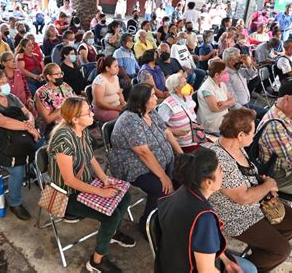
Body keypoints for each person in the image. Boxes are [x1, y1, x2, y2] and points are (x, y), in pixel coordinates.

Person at [208, 109, 292, 272]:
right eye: (252, 132)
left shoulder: (235, 146)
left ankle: (263, 251)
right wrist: (268, 185)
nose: (254, 137)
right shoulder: (221, 159)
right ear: (240, 135)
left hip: (256, 205)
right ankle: (249, 268)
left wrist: (264, 183)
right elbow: (243, 198)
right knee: (281, 250)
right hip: (236, 216)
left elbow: (248, 173)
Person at [47, 96, 135, 272]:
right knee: (111, 216)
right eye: (88, 112)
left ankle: (113, 233)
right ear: (74, 118)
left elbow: (91, 158)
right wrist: (100, 192)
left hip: (87, 184)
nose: (92, 113)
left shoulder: (82, 129)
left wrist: (104, 178)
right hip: (67, 195)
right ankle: (96, 261)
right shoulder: (63, 139)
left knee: (124, 196)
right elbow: (70, 181)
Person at [156, 148, 257, 273]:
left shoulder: (183, 191)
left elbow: (202, 244)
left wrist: (226, 260)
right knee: (250, 270)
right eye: (220, 169)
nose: (223, 173)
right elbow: (206, 270)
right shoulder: (204, 218)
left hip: (169, 263)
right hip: (187, 267)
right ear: (209, 182)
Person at [110, 83, 182, 233]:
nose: (156, 98)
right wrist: (163, 176)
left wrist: (181, 155)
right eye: (153, 96)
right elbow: (143, 152)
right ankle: (147, 226)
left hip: (160, 161)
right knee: (162, 189)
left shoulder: (150, 112)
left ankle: (169, 214)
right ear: (142, 100)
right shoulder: (131, 120)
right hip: (134, 167)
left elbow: (166, 131)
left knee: (184, 177)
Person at [0, 69, 38, 220]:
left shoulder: (11, 97)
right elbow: (4, 122)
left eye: (6, 82)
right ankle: (14, 203)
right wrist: (30, 128)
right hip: (0, 146)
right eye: (2, 83)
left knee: (46, 149)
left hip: (22, 138)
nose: (7, 85)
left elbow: (28, 113)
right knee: (17, 170)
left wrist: (30, 123)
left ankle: (35, 170)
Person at [158, 73, 202, 152]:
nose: (188, 85)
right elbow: (158, 127)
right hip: (183, 145)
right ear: (176, 89)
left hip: (197, 138)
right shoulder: (167, 105)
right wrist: (175, 131)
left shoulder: (188, 97)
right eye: (184, 83)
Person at [223, 47, 266, 119]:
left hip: (246, 103)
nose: (241, 61)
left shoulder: (239, 69)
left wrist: (249, 65)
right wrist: (247, 110)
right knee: (257, 121)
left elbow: (252, 75)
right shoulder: (226, 76)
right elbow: (231, 101)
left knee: (266, 114)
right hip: (238, 109)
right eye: (238, 59)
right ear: (230, 61)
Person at [35, 63, 75, 138]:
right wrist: (65, 107)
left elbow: (75, 102)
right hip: (55, 128)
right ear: (49, 77)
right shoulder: (41, 93)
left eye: (61, 73)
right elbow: (48, 120)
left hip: (72, 121)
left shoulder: (65, 86)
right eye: (57, 74)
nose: (60, 76)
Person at [197, 60, 235, 134]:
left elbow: (232, 99)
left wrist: (225, 103)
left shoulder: (221, 83)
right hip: (212, 126)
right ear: (217, 75)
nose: (227, 74)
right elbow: (216, 108)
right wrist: (229, 104)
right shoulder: (206, 88)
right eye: (225, 73)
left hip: (224, 120)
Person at [92, 56, 126, 122]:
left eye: (118, 66)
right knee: (124, 118)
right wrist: (117, 108)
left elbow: (119, 92)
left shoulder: (115, 77)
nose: (118, 68)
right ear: (107, 68)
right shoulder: (99, 81)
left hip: (116, 106)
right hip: (103, 109)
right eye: (115, 66)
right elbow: (99, 102)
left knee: (134, 113)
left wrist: (123, 103)